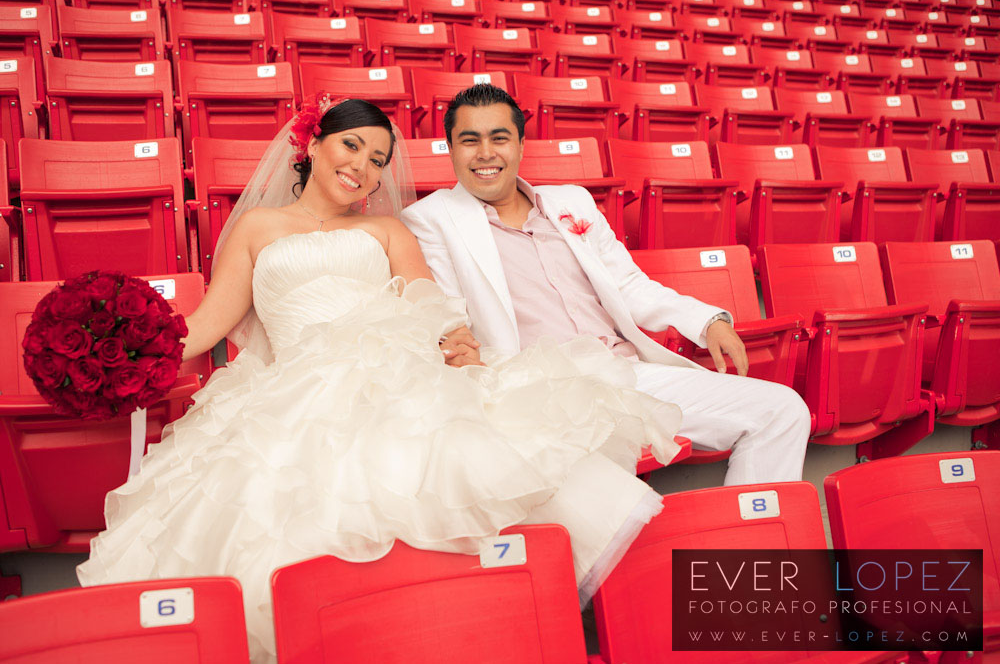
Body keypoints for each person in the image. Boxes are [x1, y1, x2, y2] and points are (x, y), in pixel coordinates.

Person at [75, 97, 684, 663]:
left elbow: (439, 315)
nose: (362, 168)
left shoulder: (389, 232)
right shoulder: (258, 228)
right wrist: (119, 349)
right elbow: (206, 326)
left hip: (394, 371)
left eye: (377, 160)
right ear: (312, 145)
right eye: (351, 147)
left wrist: (460, 352)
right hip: (294, 390)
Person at [400, 84, 811, 487]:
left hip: (627, 372)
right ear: (451, 149)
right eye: (469, 140)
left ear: (521, 146)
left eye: (499, 138)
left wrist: (707, 322)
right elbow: (446, 313)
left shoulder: (571, 202)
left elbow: (629, 284)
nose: (485, 153)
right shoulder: (429, 219)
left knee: (783, 409)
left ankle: (754, 549)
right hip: (543, 390)